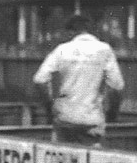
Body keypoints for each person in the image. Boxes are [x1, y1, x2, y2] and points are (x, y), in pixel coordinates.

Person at [33, 14, 125, 147]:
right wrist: (112, 115)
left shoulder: (62, 49)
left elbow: (39, 80)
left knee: (61, 161)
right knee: (93, 162)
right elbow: (117, 87)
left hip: (65, 117)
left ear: (71, 32)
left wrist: (49, 109)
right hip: (92, 118)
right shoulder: (104, 50)